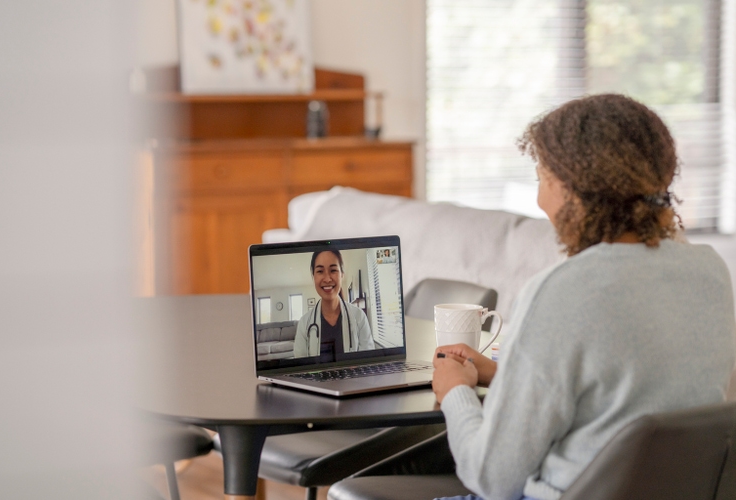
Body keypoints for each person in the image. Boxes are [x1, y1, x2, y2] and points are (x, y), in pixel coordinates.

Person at [432, 94, 736, 500]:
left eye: (542, 178)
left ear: (572, 190)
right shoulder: (710, 272)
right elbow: (628, 398)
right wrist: (508, 376)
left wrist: (455, 390)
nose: (540, 201)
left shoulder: (560, 291)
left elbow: (492, 478)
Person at [294, 249, 374, 358]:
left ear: (342, 275)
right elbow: (300, 369)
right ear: (313, 276)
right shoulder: (304, 324)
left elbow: (368, 362)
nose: (327, 279)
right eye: (320, 271)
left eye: (333, 270)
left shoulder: (359, 318)